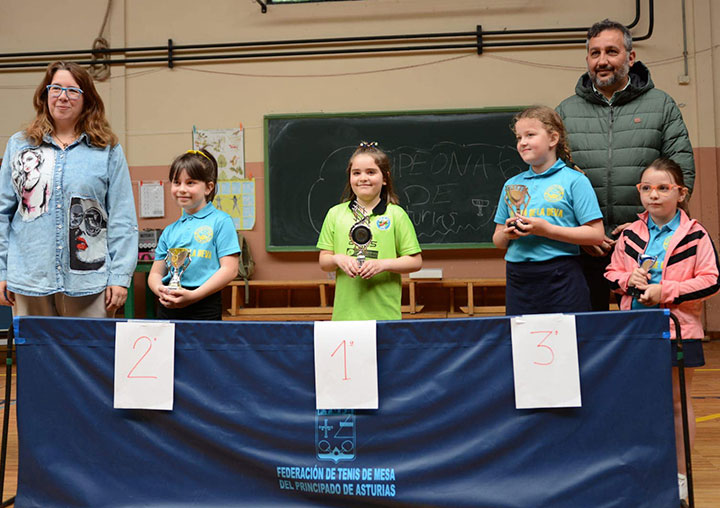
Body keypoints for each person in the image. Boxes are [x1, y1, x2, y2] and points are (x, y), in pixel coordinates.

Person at [556, 19, 695, 311]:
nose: (602, 61)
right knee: (586, 335)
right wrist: (579, 233)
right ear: (587, 59)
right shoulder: (566, 111)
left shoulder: (661, 105)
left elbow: (681, 172)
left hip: (647, 245)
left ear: (630, 57)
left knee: (642, 337)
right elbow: (552, 182)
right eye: (595, 53)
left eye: (611, 51)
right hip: (585, 247)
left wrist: (645, 226)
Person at [604, 158, 719, 503]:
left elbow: (711, 279)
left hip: (678, 330)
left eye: (663, 188)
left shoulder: (695, 235)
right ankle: (643, 469)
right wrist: (629, 280)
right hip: (633, 330)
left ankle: (680, 476)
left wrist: (664, 290)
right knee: (635, 402)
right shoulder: (629, 234)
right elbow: (611, 273)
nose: (653, 195)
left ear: (680, 193)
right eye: (646, 188)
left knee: (676, 403)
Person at [0, 61, 138, 317]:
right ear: (45, 95)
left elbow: (122, 217)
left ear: (87, 99)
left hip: (89, 282)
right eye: (56, 89)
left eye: (73, 90)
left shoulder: (106, 149)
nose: (63, 97)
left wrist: (119, 276)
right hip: (30, 279)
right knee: (37, 356)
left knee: (89, 356)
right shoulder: (20, 146)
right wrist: (2, 271)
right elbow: (2, 213)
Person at [493, 106, 604, 315]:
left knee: (566, 343)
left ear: (553, 139)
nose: (522, 142)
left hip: (561, 274)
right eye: (518, 137)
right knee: (524, 343)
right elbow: (498, 242)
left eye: (530, 135)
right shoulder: (511, 185)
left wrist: (546, 230)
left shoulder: (575, 181)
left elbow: (596, 235)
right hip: (519, 276)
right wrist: (507, 233)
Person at [317, 141, 422, 321]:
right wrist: (337, 259)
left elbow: (415, 262)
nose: (363, 178)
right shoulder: (335, 214)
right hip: (345, 316)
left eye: (371, 172)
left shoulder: (396, 214)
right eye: (356, 173)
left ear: (385, 178)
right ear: (349, 177)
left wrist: (382, 265)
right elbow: (324, 262)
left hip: (385, 315)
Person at [148, 149, 240, 321]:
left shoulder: (221, 221)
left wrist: (194, 295)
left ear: (208, 187)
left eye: (190, 183)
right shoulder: (169, 231)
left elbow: (230, 269)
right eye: (176, 182)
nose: (181, 189)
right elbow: (155, 274)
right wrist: (160, 290)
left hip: (204, 303)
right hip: (169, 304)